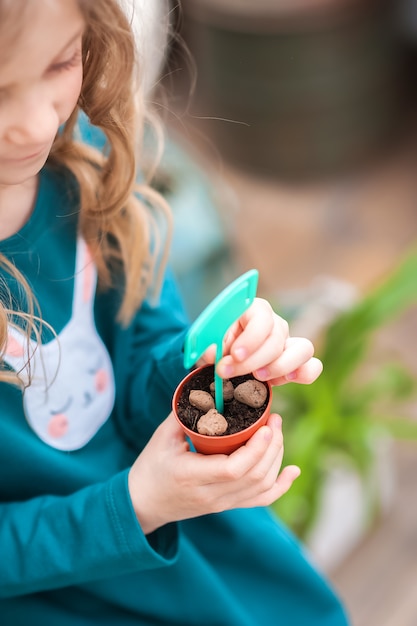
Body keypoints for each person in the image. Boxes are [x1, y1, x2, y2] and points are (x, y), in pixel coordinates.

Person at [0, 1, 350, 624]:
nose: (33, 125)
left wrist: (210, 360)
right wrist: (133, 505)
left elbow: (141, 350)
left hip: (199, 556)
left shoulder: (80, 156)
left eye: (59, 64)